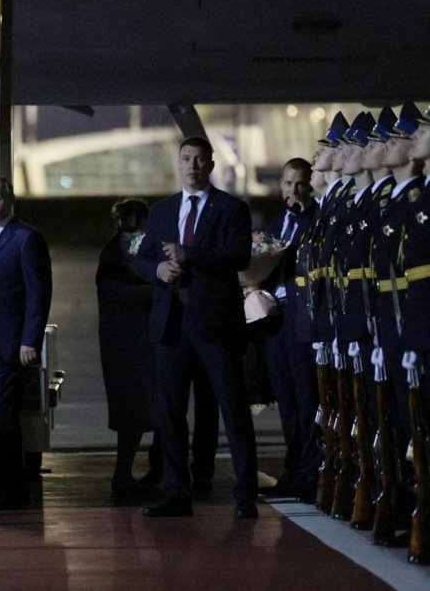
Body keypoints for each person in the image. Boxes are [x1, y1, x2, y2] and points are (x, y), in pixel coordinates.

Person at [134, 135, 259, 519]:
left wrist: (191, 256)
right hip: (172, 325)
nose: (193, 165)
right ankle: (176, 492)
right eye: (186, 158)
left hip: (215, 325)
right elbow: (141, 258)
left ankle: (245, 495)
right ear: (178, 163)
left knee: (233, 408)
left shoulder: (231, 209)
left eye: (200, 159)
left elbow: (238, 256)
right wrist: (156, 269)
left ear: (211, 165)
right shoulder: (162, 211)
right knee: (170, 412)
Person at [0, 174, 52, 510]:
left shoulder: (26, 239)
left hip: (11, 347)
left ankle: (14, 490)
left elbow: (38, 294)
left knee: (3, 417)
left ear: (10, 199)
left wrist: (30, 340)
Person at [260, 157, 321, 502]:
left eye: (299, 184)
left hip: (301, 317)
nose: (292, 190)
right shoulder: (275, 223)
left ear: (308, 186)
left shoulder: (314, 220)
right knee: (285, 397)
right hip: (277, 318)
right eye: (287, 184)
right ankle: (294, 466)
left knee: (305, 397)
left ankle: (310, 472)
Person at [96, 199, 161, 503]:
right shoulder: (116, 252)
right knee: (134, 412)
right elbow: (113, 293)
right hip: (126, 342)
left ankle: (144, 472)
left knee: (151, 409)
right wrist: (158, 288)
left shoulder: (123, 250)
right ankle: (126, 474)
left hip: (135, 340)